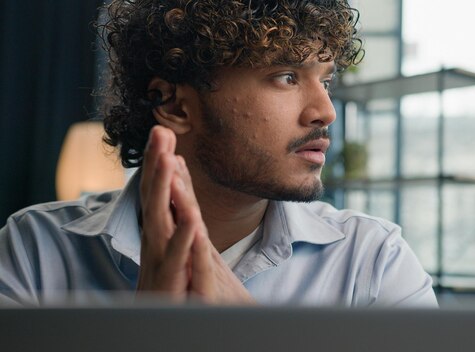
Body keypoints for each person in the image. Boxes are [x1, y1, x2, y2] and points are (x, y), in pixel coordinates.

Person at [0, 0, 437, 307]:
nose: (325, 112)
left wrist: (244, 335)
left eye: (325, 80)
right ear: (174, 104)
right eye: (286, 76)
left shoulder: (374, 260)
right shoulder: (34, 250)